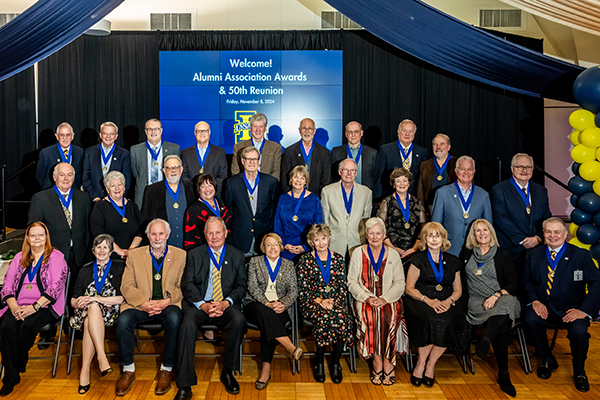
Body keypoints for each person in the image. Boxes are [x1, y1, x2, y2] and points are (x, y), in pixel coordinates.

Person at [522, 217, 600, 393]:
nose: (553, 235)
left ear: (565, 234)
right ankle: (547, 359)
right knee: (530, 320)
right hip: (544, 306)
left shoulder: (581, 255)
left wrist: (584, 310)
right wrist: (534, 301)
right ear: (543, 234)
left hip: (572, 309)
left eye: (557, 231)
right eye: (548, 231)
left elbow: (597, 283)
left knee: (579, 332)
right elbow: (526, 281)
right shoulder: (533, 255)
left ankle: (579, 371)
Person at [175, 217, 247, 398]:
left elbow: (241, 286)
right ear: (205, 235)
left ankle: (228, 371)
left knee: (238, 320)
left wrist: (226, 302)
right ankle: (185, 384)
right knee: (186, 326)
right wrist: (203, 305)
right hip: (199, 304)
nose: (214, 237)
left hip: (225, 304)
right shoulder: (194, 254)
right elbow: (187, 284)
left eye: (218, 232)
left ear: (225, 233)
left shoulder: (237, 255)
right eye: (210, 233)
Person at [115, 219, 186, 396]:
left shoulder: (181, 255)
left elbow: (182, 286)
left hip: (167, 304)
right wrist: (143, 303)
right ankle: (128, 370)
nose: (157, 237)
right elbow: (126, 285)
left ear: (168, 235)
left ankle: (166, 368)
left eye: (161, 234)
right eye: (153, 234)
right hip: (140, 305)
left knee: (174, 318)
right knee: (123, 320)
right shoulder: (134, 255)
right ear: (147, 235)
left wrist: (166, 301)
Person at [0, 222, 68, 396]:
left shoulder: (56, 257)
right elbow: (7, 285)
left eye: (41, 235)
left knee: (27, 327)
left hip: (46, 305)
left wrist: (34, 307)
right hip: (18, 304)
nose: (37, 238)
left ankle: (19, 362)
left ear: (46, 238)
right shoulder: (19, 258)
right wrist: (14, 307)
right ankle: (10, 378)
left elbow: (56, 287)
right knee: (6, 327)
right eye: (33, 235)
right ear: (28, 238)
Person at [404, 222, 470, 388]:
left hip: (447, 301)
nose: (434, 239)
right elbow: (409, 288)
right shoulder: (417, 259)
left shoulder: (454, 261)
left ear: (443, 239)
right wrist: (429, 300)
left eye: (437, 235)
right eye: (430, 236)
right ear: (425, 239)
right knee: (429, 319)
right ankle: (420, 363)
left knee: (446, 320)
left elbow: (458, 290)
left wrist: (449, 301)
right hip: (421, 300)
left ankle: (430, 364)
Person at [460, 219, 520, 397]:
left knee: (505, 307)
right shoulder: (467, 253)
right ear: (473, 234)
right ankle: (503, 374)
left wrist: (496, 295)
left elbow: (513, 284)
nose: (482, 233)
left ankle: (485, 342)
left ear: (491, 232)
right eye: (477, 231)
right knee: (502, 324)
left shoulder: (503, 255)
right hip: (477, 302)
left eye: (485, 229)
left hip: (501, 297)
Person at [347, 218, 406, 386]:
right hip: (365, 299)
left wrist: (384, 299)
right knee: (370, 318)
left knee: (389, 317)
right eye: (371, 233)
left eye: (378, 233)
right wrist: (367, 298)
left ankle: (389, 361)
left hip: (389, 298)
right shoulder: (358, 253)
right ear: (366, 235)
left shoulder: (393, 254)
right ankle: (377, 360)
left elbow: (400, 283)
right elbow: (352, 282)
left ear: (384, 234)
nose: (374, 237)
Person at [243, 233, 302, 390]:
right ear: (264, 247)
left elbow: (293, 291)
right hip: (255, 304)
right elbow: (252, 287)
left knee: (269, 322)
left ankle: (266, 368)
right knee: (266, 314)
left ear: (281, 247)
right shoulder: (254, 262)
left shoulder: (288, 265)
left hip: (280, 306)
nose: (272, 248)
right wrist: (266, 303)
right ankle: (290, 347)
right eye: (269, 245)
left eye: (275, 244)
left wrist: (282, 303)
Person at [296, 224, 353, 384]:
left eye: (323, 238)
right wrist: (320, 301)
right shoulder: (305, 260)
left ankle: (335, 363)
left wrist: (332, 301)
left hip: (335, 302)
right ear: (311, 242)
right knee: (324, 317)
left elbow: (342, 286)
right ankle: (319, 361)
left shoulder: (339, 259)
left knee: (342, 317)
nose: (321, 243)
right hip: (312, 302)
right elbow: (302, 288)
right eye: (316, 239)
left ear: (329, 238)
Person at [70, 234, 125, 394]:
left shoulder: (119, 268)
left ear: (111, 251)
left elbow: (123, 298)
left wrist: (97, 299)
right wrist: (78, 301)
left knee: (92, 312)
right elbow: (73, 299)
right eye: (98, 247)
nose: (102, 250)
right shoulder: (85, 270)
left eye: (105, 247)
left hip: (110, 310)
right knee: (91, 309)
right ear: (93, 250)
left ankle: (85, 370)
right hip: (85, 310)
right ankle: (102, 357)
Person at [29, 162, 91, 274]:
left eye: (70, 175)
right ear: (54, 177)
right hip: (52, 255)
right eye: (62, 175)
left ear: (74, 177)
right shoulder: (40, 199)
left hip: (79, 257)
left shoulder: (84, 197)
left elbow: (87, 227)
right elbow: (34, 230)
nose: (66, 178)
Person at [491, 153, 551, 261]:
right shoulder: (499, 190)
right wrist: (522, 240)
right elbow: (501, 218)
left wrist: (538, 238)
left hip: (537, 250)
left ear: (532, 169)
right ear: (512, 168)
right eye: (520, 167)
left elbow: (546, 218)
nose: (524, 170)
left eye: (528, 167)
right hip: (511, 251)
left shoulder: (541, 191)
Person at [431, 155, 493, 257]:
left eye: (470, 169)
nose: (466, 172)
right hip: (449, 250)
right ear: (456, 171)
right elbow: (435, 225)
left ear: (474, 172)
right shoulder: (442, 193)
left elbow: (488, 226)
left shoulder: (483, 195)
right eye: (462, 169)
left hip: (475, 251)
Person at [224, 146, 279, 256]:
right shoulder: (231, 183)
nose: (251, 162)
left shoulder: (271, 182)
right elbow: (229, 212)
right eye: (248, 159)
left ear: (259, 161)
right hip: (241, 238)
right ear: (242, 161)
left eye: (254, 159)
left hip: (264, 238)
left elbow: (274, 210)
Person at [321, 159, 372, 258]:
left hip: (357, 242)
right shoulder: (327, 191)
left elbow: (366, 220)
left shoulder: (366, 192)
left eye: (352, 170)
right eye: (345, 170)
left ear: (356, 173)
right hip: (335, 242)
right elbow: (325, 219)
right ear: (340, 172)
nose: (349, 173)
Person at [140, 155, 194, 249]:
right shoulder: (152, 190)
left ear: (181, 169)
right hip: (161, 246)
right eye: (169, 168)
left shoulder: (192, 188)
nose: (173, 171)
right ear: (164, 171)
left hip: (188, 245)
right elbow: (146, 219)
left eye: (176, 167)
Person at [274, 165, 323, 260]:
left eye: (302, 178)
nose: (298, 180)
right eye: (295, 177)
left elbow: (318, 226)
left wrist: (305, 247)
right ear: (291, 179)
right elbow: (277, 225)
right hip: (285, 248)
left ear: (306, 181)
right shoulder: (283, 198)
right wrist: (283, 244)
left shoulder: (314, 199)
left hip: (306, 249)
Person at [90, 171, 143, 259]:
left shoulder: (133, 206)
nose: (117, 188)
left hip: (133, 256)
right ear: (107, 189)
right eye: (112, 186)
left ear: (124, 187)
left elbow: (141, 231)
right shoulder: (99, 207)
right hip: (109, 256)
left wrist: (130, 251)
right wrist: (120, 252)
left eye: (120, 184)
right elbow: (99, 234)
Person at [130, 118, 181, 208]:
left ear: (161, 130)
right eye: (150, 129)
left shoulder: (174, 149)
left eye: (156, 129)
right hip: (143, 194)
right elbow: (135, 173)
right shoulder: (135, 150)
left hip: (166, 193)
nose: (153, 132)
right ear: (146, 131)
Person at [377, 168, 424, 260]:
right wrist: (393, 248)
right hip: (391, 250)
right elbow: (379, 228)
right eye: (398, 181)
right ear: (394, 184)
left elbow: (423, 228)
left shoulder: (417, 202)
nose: (402, 184)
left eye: (405, 180)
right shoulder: (386, 202)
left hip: (414, 251)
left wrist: (414, 249)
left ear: (409, 183)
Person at [374, 119, 428, 199]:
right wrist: (378, 198)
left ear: (414, 134)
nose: (407, 134)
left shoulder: (422, 152)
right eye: (404, 131)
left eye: (410, 131)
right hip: (391, 197)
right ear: (398, 132)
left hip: (413, 198)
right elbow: (379, 176)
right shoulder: (386, 150)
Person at [82, 121, 132, 202]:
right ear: (100, 135)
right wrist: (94, 197)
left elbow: (127, 180)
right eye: (105, 133)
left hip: (116, 200)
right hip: (94, 200)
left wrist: (116, 197)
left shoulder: (124, 154)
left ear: (116, 136)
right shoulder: (89, 152)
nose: (108, 136)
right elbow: (85, 178)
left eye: (112, 134)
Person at [281, 118, 331, 195]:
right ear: (299, 130)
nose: (307, 131)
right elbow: (284, 178)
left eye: (310, 128)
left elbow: (326, 179)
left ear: (314, 131)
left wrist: (317, 197)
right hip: (294, 198)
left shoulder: (324, 152)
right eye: (304, 128)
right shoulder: (289, 151)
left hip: (316, 198)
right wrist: (292, 196)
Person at [183, 174, 231, 251]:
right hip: (205, 251)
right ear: (199, 190)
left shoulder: (219, 201)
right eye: (203, 186)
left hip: (225, 248)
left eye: (210, 185)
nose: (207, 189)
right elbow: (190, 238)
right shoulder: (193, 209)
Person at [181, 121, 228, 196]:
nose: (202, 133)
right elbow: (184, 176)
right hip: (193, 196)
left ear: (209, 132)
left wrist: (210, 190)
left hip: (214, 195)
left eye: (205, 131)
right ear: (194, 133)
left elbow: (223, 176)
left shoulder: (220, 152)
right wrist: (196, 190)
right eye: (199, 131)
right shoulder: (186, 153)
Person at [416, 133, 457, 218]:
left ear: (449, 147)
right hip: (430, 210)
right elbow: (420, 191)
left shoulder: (457, 163)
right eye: (435, 144)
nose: (438, 147)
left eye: (442, 144)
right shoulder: (425, 165)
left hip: (451, 210)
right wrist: (422, 212)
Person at [231, 113, 282, 180]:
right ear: (250, 128)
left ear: (265, 128)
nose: (258, 130)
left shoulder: (275, 148)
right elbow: (235, 172)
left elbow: (276, 173)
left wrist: (265, 186)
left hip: (267, 187)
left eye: (261, 127)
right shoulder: (239, 147)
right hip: (244, 187)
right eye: (255, 126)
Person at [329, 121, 377, 190]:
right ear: (346, 134)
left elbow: (375, 177)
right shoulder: (336, 152)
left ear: (361, 133)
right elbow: (331, 175)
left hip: (364, 194)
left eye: (356, 132)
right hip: (341, 194)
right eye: (350, 132)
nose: (353, 135)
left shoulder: (372, 153)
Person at [36, 122, 84, 190]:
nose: (65, 138)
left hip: (74, 193)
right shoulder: (46, 153)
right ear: (56, 136)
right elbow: (40, 176)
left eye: (68, 135)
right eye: (62, 135)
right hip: (51, 193)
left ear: (72, 136)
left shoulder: (80, 152)